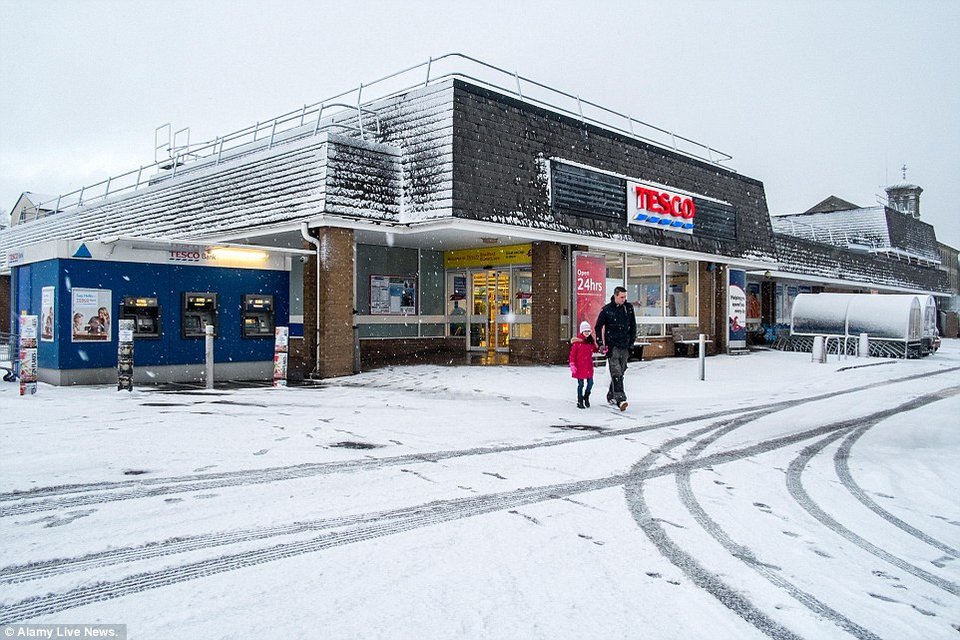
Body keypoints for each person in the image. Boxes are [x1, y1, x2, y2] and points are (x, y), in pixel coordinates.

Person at [595, 286, 637, 412]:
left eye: (625, 297)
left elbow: (633, 325)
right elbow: (598, 327)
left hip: (625, 345)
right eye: (621, 297)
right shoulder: (607, 310)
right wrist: (600, 343)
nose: (624, 299)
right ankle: (621, 399)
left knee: (622, 370)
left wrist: (631, 342)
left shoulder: (628, 308)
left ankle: (611, 394)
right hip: (612, 346)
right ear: (615, 296)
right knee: (616, 372)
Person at [569, 321, 598, 409]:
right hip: (580, 366)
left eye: (588, 331)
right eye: (585, 331)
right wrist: (572, 364)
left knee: (590, 383)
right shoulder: (577, 343)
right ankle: (580, 400)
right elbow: (572, 354)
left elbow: (594, 349)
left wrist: (602, 350)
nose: (587, 333)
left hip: (588, 366)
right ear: (582, 331)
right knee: (580, 384)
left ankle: (586, 397)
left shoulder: (590, 342)